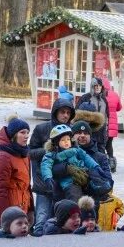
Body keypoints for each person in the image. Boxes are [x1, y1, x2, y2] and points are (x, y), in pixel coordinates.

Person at [29, 98, 75, 236]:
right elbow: (30, 152)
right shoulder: (42, 129)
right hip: (44, 185)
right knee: (41, 221)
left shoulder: (72, 131)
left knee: (61, 222)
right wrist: (49, 151)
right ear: (55, 112)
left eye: (68, 112)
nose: (65, 115)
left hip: (64, 185)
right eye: (62, 112)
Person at [41, 124, 109, 203]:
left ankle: (102, 192)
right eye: (63, 140)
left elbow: (86, 157)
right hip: (69, 181)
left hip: (83, 174)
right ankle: (75, 209)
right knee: (74, 195)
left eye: (68, 139)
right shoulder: (52, 154)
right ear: (56, 143)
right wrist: (47, 178)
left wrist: (95, 166)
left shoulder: (76, 149)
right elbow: (46, 165)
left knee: (95, 181)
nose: (66, 142)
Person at [0, 116, 34, 229]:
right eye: (22, 132)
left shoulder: (25, 155)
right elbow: (0, 190)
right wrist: (4, 219)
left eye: (27, 132)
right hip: (9, 212)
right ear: (13, 135)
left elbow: (27, 186)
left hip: (22, 210)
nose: (26, 136)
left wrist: (31, 210)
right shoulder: (3, 157)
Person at [70, 120, 113, 200]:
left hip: (94, 200)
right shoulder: (66, 154)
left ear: (90, 136)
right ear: (72, 136)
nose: (82, 136)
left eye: (86, 133)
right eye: (79, 133)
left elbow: (109, 181)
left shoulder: (101, 157)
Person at [75, 77, 108, 154]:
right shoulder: (86, 97)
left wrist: (107, 129)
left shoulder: (104, 100)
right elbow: (77, 113)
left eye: (100, 86)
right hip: (88, 129)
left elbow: (107, 115)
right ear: (92, 86)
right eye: (95, 85)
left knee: (101, 150)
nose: (97, 87)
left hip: (101, 131)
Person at [101, 77, 122, 172]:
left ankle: (102, 163)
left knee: (101, 143)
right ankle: (112, 162)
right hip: (113, 123)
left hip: (103, 123)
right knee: (109, 144)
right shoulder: (115, 95)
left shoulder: (100, 96)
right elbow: (119, 107)